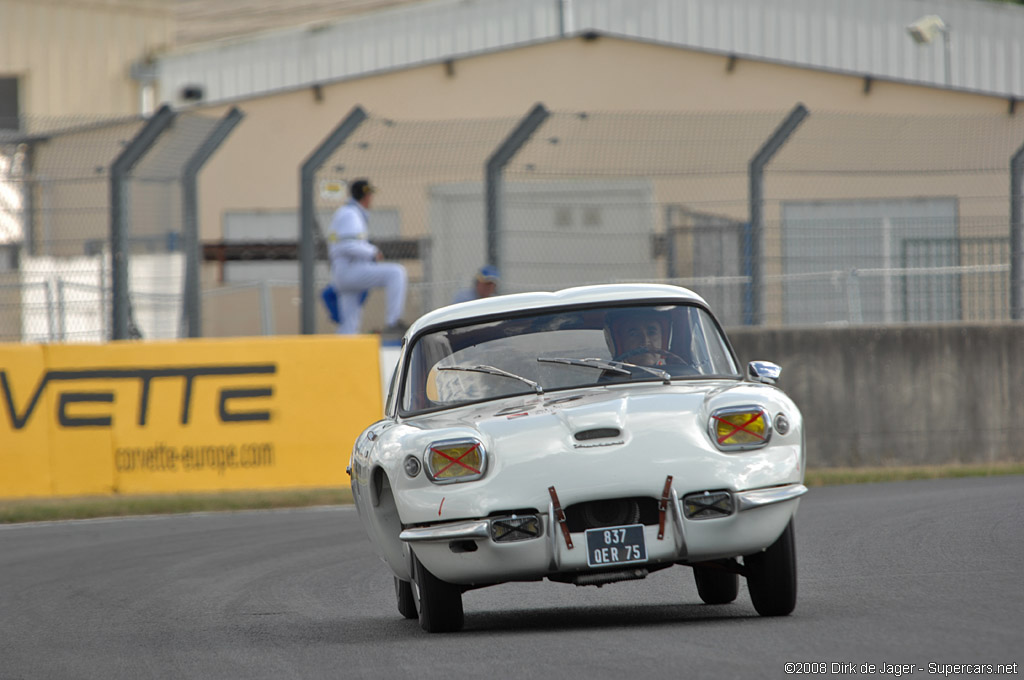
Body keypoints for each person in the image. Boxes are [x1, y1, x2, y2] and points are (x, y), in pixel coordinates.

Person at [326, 179, 407, 335]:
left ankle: (342, 353)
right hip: (351, 271)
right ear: (366, 196)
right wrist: (372, 252)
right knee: (397, 273)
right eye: (370, 195)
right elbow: (348, 245)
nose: (371, 199)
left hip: (344, 272)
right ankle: (393, 322)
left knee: (349, 325)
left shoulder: (346, 212)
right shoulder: (351, 214)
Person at [604, 308, 673, 367]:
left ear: (662, 340)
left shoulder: (679, 379)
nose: (645, 341)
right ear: (621, 343)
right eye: (634, 334)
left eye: (652, 333)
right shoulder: (609, 381)